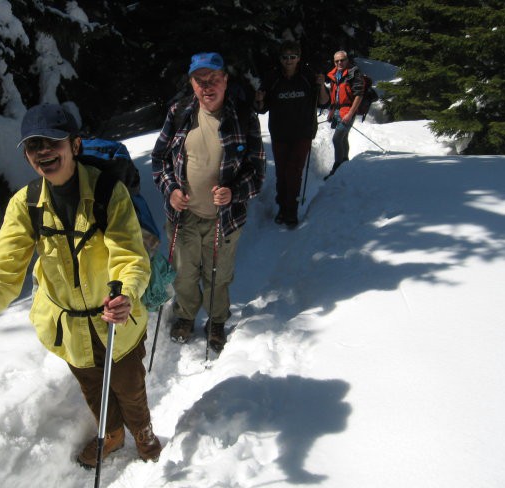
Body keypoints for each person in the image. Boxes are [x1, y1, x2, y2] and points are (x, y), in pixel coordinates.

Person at [0, 103, 162, 468]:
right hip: (69, 327)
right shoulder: (25, 205)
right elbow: (4, 269)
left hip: (116, 318)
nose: (43, 152)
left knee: (129, 384)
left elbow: (129, 253)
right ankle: (111, 435)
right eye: (33, 146)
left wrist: (125, 292)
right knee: (93, 387)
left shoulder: (109, 192)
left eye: (52, 142)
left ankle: (143, 432)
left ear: (74, 145)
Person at [151, 52, 265, 352]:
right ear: (192, 83)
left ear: (225, 80)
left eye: (213, 78)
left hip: (224, 219)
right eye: (200, 80)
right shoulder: (179, 112)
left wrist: (233, 193)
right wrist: (171, 190)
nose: (207, 86)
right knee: (184, 275)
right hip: (184, 216)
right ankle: (185, 316)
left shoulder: (243, 117)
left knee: (218, 275)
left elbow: (257, 174)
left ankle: (216, 321)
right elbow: (158, 159)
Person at [254, 40, 329, 227]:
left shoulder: (308, 76)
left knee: (293, 171)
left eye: (292, 57)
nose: (289, 61)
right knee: (282, 173)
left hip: (302, 132)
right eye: (285, 57)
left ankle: (291, 211)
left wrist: (321, 85)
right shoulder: (273, 78)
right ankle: (282, 207)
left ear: (299, 58)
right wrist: (260, 100)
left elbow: (324, 102)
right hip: (280, 133)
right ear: (280, 59)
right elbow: (262, 109)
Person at [324, 50, 364, 179]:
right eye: (337, 61)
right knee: (343, 138)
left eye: (342, 60)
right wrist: (331, 111)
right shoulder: (335, 75)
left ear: (347, 60)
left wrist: (351, 113)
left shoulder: (354, 73)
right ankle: (345, 163)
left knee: (337, 139)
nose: (340, 63)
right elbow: (335, 95)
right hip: (337, 111)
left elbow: (359, 95)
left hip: (348, 111)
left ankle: (337, 168)